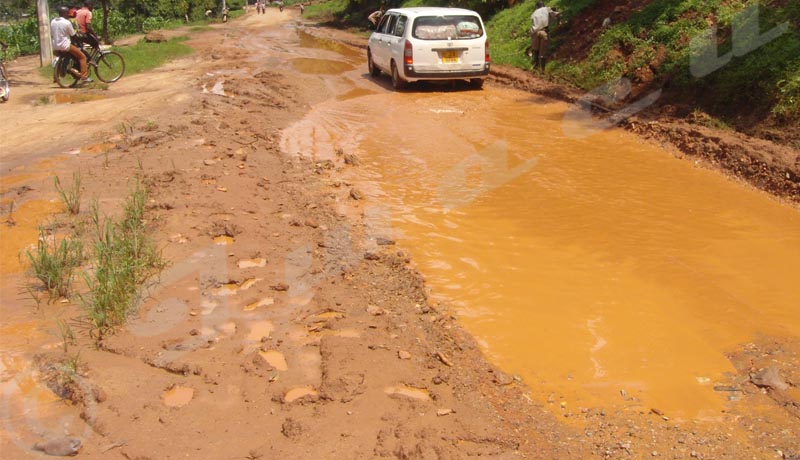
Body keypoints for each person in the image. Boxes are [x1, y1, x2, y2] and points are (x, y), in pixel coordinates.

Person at [51, 5, 89, 82]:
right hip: (65, 46)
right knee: (82, 57)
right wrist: (79, 43)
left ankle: (56, 77)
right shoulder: (67, 22)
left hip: (55, 46)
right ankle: (84, 76)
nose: (68, 15)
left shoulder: (53, 21)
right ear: (64, 13)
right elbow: (73, 36)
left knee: (62, 58)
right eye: (67, 13)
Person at [529, 1, 560, 71]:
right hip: (543, 32)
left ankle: (535, 67)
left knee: (536, 51)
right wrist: (559, 23)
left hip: (534, 33)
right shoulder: (547, 9)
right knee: (543, 52)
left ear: (537, 7)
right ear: (543, 5)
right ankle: (542, 71)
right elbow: (557, 14)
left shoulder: (534, 13)